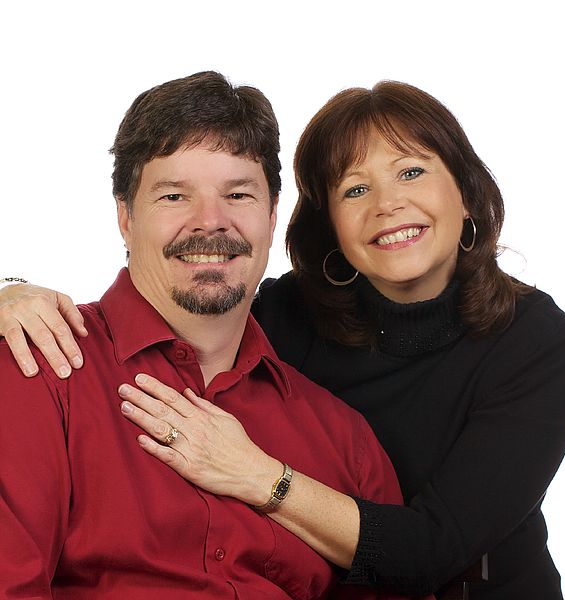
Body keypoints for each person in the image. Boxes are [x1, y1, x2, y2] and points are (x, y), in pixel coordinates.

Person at [0, 81, 565, 599]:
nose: (388, 204)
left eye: (411, 171)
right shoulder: (284, 317)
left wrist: (256, 474)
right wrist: (10, 290)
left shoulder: (539, 345)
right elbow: (196, 282)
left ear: (465, 192)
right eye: (355, 189)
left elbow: (428, 552)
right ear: (327, 221)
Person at [0, 72, 413, 600]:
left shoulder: (344, 440)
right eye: (174, 196)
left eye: (238, 194)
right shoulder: (41, 369)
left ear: (271, 216)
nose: (210, 222)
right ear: (125, 218)